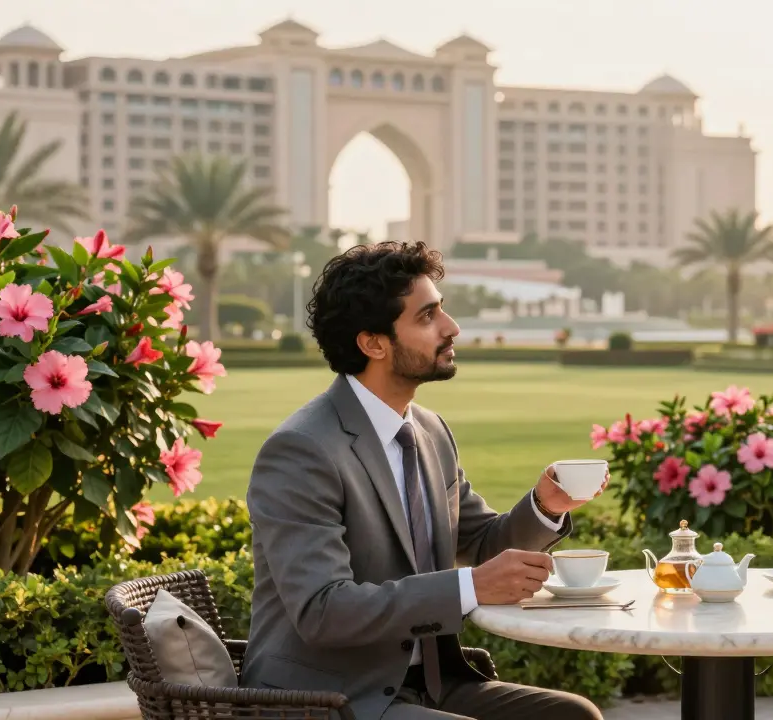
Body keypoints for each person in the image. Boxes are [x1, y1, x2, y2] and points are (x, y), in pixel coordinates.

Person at [241, 240, 605, 720]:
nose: (452, 327)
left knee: (572, 716)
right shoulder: (302, 451)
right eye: (427, 316)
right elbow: (323, 610)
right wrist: (470, 586)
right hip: (329, 699)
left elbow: (480, 544)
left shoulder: (429, 431)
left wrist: (545, 506)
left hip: (428, 685)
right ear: (373, 343)